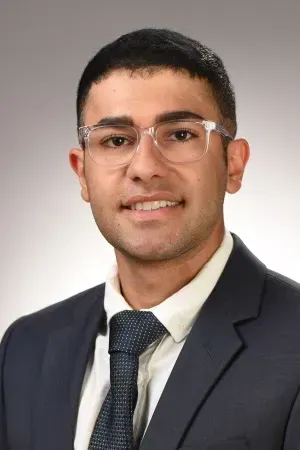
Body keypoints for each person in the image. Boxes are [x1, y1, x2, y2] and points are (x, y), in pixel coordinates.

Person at [1, 27, 300, 450]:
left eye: (179, 134)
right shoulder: (25, 348)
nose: (145, 168)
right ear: (81, 172)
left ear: (233, 164)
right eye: (116, 140)